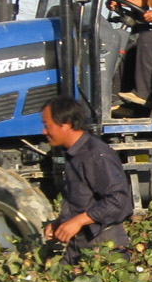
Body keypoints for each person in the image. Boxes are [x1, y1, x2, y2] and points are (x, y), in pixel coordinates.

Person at [40, 95, 136, 261]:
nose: (44, 132)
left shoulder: (95, 156)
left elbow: (119, 201)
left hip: (104, 248)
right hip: (80, 246)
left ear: (67, 124)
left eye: (48, 126)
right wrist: (61, 222)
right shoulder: (74, 155)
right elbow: (84, 200)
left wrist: (77, 222)